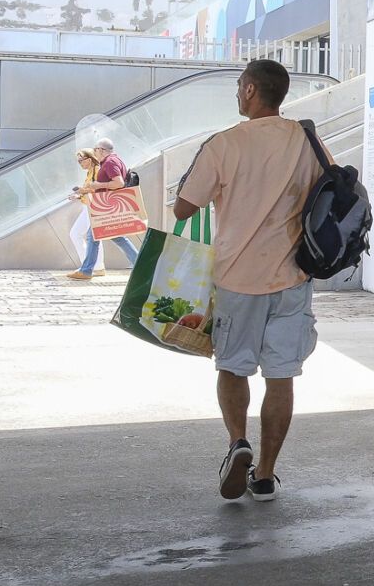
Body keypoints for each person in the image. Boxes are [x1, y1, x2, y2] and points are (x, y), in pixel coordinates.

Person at [173, 59, 325, 502]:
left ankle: (238, 442)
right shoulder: (307, 139)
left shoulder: (225, 144)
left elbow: (184, 208)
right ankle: (266, 474)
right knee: (281, 377)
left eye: (240, 87)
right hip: (294, 276)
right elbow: (330, 188)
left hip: (238, 279)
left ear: (252, 91)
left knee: (233, 367)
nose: (237, 94)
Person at [69, 137, 141, 279]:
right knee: (117, 238)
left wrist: (98, 185)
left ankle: (86, 270)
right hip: (109, 205)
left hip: (106, 206)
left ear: (101, 150)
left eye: (95, 149)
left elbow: (118, 182)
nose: (94, 151)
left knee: (94, 236)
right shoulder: (115, 160)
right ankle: (140, 264)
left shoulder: (109, 162)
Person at [64, 148, 101, 280]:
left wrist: (82, 191)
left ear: (89, 159)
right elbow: (90, 191)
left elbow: (98, 190)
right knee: (95, 236)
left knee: (77, 234)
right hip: (89, 206)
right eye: (78, 161)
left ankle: (88, 267)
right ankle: (96, 266)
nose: (79, 164)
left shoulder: (96, 170)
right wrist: (79, 196)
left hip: (93, 207)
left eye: (81, 161)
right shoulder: (91, 171)